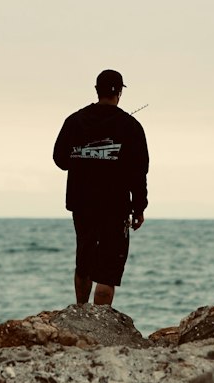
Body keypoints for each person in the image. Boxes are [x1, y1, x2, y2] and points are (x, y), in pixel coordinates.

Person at [53, 68, 149, 307]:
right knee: (108, 268)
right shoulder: (131, 126)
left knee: (84, 259)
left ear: (97, 90)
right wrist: (139, 207)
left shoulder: (74, 121)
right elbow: (139, 171)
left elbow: (60, 160)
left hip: (81, 202)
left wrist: (82, 157)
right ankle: (100, 323)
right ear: (119, 93)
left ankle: (81, 312)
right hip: (115, 206)